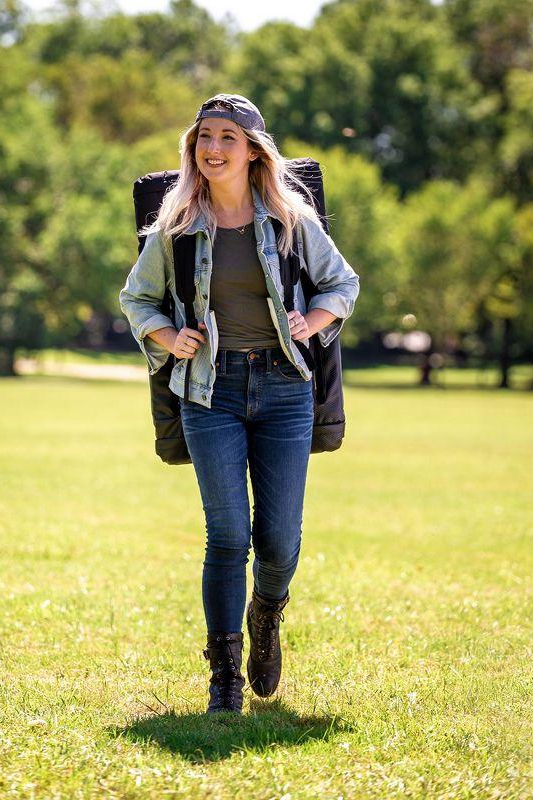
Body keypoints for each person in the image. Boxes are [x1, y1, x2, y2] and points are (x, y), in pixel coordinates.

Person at [119, 93, 359, 715]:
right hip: (209, 392)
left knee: (278, 542)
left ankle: (267, 614)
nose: (213, 148)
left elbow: (343, 283)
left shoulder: (288, 219)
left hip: (284, 389)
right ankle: (223, 674)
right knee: (227, 535)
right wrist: (168, 337)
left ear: (253, 150)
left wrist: (314, 318)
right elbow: (136, 299)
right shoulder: (174, 227)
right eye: (204, 137)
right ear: (192, 149)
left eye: (228, 136)